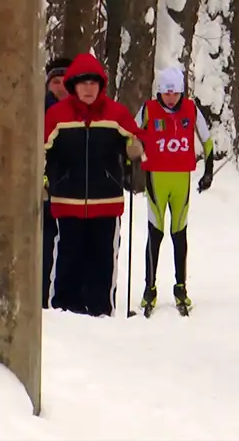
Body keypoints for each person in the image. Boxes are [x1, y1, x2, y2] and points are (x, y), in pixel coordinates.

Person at [44, 53, 144, 317]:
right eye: (83, 83)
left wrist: (135, 149)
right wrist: (44, 180)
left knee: (102, 264)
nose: (88, 89)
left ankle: (101, 314)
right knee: (67, 261)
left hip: (106, 203)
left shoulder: (116, 113)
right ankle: (64, 312)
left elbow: (137, 139)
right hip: (67, 202)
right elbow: (39, 152)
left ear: (101, 85)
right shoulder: (56, 116)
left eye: (93, 83)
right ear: (73, 85)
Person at [136, 68, 214, 315]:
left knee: (179, 231)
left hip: (181, 178)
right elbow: (131, 134)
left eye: (175, 93)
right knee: (155, 231)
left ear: (181, 91)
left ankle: (180, 287)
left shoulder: (190, 109)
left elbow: (207, 139)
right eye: (166, 93)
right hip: (156, 177)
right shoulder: (149, 109)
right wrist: (128, 161)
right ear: (160, 91)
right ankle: (150, 289)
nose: (171, 98)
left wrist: (208, 171)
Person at [42, 57, 71, 309]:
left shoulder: (81, 112)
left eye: (65, 82)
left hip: (74, 192)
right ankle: (41, 300)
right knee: (43, 247)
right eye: (55, 82)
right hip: (44, 192)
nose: (60, 87)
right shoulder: (39, 111)